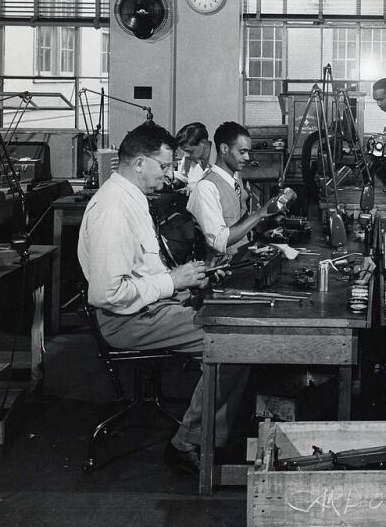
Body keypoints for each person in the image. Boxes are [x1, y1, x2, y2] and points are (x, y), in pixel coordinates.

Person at [77, 122, 250, 475]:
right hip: (125, 319)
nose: (170, 175)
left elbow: (143, 272)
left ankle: (213, 434)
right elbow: (106, 293)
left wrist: (190, 280)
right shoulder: (113, 209)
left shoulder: (134, 197)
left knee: (231, 323)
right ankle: (188, 443)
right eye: (164, 166)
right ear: (139, 162)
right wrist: (173, 281)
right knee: (235, 342)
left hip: (148, 307)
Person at [187, 122, 274, 257]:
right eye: (242, 152)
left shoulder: (234, 180)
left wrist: (271, 216)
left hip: (244, 256)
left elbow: (241, 222)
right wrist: (260, 214)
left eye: (248, 152)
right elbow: (218, 241)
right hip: (224, 270)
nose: (247, 157)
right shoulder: (206, 187)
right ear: (224, 149)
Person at [173, 122, 212, 193]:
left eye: (190, 151)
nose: (187, 155)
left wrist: (197, 186)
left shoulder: (221, 160)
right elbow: (182, 176)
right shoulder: (189, 157)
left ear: (203, 143)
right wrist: (176, 180)